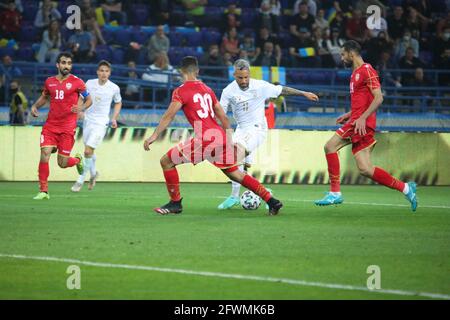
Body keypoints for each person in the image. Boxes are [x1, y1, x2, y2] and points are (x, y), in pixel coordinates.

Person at [143, 56, 283, 215]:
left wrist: (154, 135)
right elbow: (222, 116)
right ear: (197, 71)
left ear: (181, 71)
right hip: (219, 136)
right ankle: (272, 201)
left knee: (166, 162)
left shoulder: (181, 91)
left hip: (204, 139)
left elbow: (169, 116)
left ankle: (175, 203)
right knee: (235, 173)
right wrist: (229, 138)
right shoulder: (207, 89)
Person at [314, 41, 417, 212]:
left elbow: (379, 98)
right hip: (358, 121)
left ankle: (335, 192)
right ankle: (405, 188)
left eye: (342, 54)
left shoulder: (367, 70)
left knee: (330, 146)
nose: (342, 58)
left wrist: (361, 118)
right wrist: (350, 114)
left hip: (360, 124)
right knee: (365, 169)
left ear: (351, 54)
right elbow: (364, 101)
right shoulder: (355, 73)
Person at [217, 59, 319, 210]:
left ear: (249, 73)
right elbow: (221, 113)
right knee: (234, 164)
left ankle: (264, 194)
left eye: (246, 77)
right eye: (240, 78)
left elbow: (281, 90)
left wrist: (303, 93)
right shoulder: (228, 91)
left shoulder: (260, 85)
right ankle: (235, 197)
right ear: (234, 74)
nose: (244, 81)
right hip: (241, 129)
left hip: (257, 128)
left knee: (234, 158)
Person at [30, 52, 92, 200]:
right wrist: (35, 106)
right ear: (58, 65)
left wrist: (81, 108)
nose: (66, 66)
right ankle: (43, 191)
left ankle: (77, 160)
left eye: (69, 63)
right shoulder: (49, 81)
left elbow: (89, 99)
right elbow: (45, 96)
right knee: (45, 153)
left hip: (67, 127)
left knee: (62, 163)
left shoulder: (77, 82)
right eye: (63, 63)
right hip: (51, 125)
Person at [71, 60, 122, 192]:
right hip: (88, 120)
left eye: (106, 71)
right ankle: (94, 174)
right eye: (101, 71)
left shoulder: (114, 88)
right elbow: (82, 97)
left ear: (109, 73)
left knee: (87, 151)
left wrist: (114, 118)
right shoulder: (89, 83)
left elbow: (118, 102)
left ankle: (80, 180)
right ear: (97, 72)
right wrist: (80, 110)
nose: (104, 73)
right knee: (89, 151)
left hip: (101, 122)